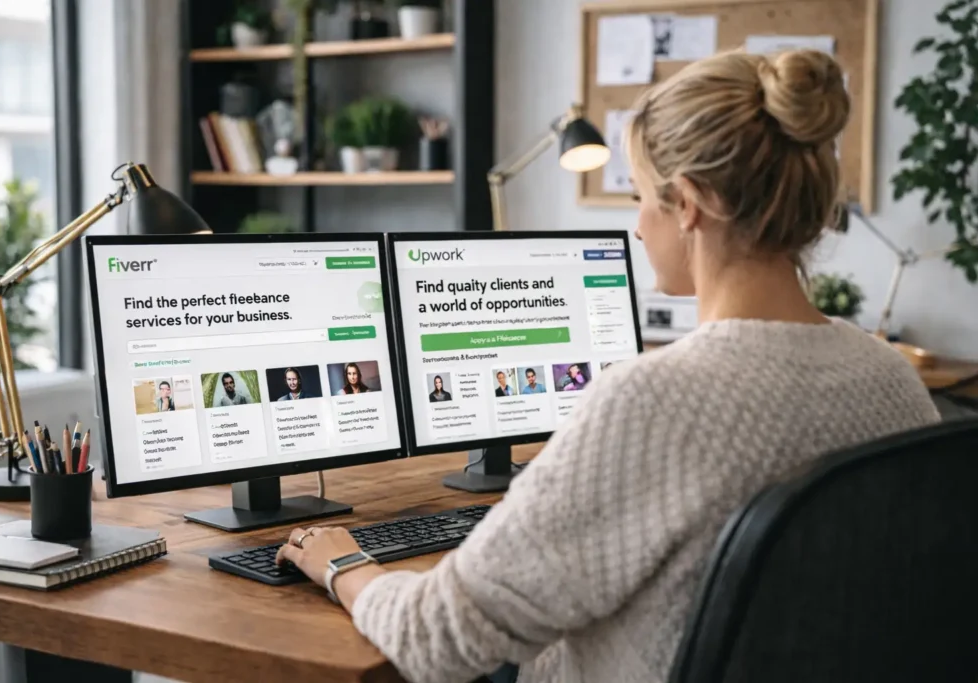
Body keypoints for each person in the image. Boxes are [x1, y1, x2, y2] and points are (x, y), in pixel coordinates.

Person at [274, 50, 941, 683]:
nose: (639, 228)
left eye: (640, 200)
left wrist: (345, 563)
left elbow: (437, 637)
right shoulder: (891, 379)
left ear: (687, 203)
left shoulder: (652, 400)